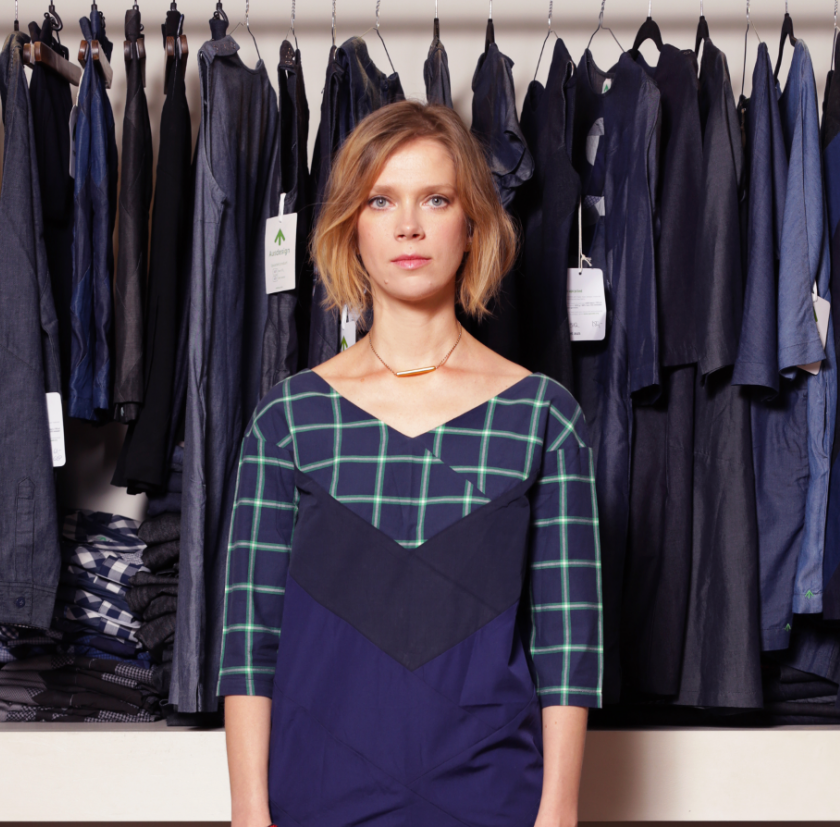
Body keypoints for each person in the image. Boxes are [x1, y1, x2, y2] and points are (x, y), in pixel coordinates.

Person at [218, 100, 603, 827]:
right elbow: (248, 641)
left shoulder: (544, 417)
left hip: (494, 800)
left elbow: (568, 644)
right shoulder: (288, 420)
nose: (408, 226)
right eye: (381, 201)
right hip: (315, 800)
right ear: (350, 228)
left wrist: (558, 815)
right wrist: (248, 814)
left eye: (435, 199)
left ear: (473, 224)